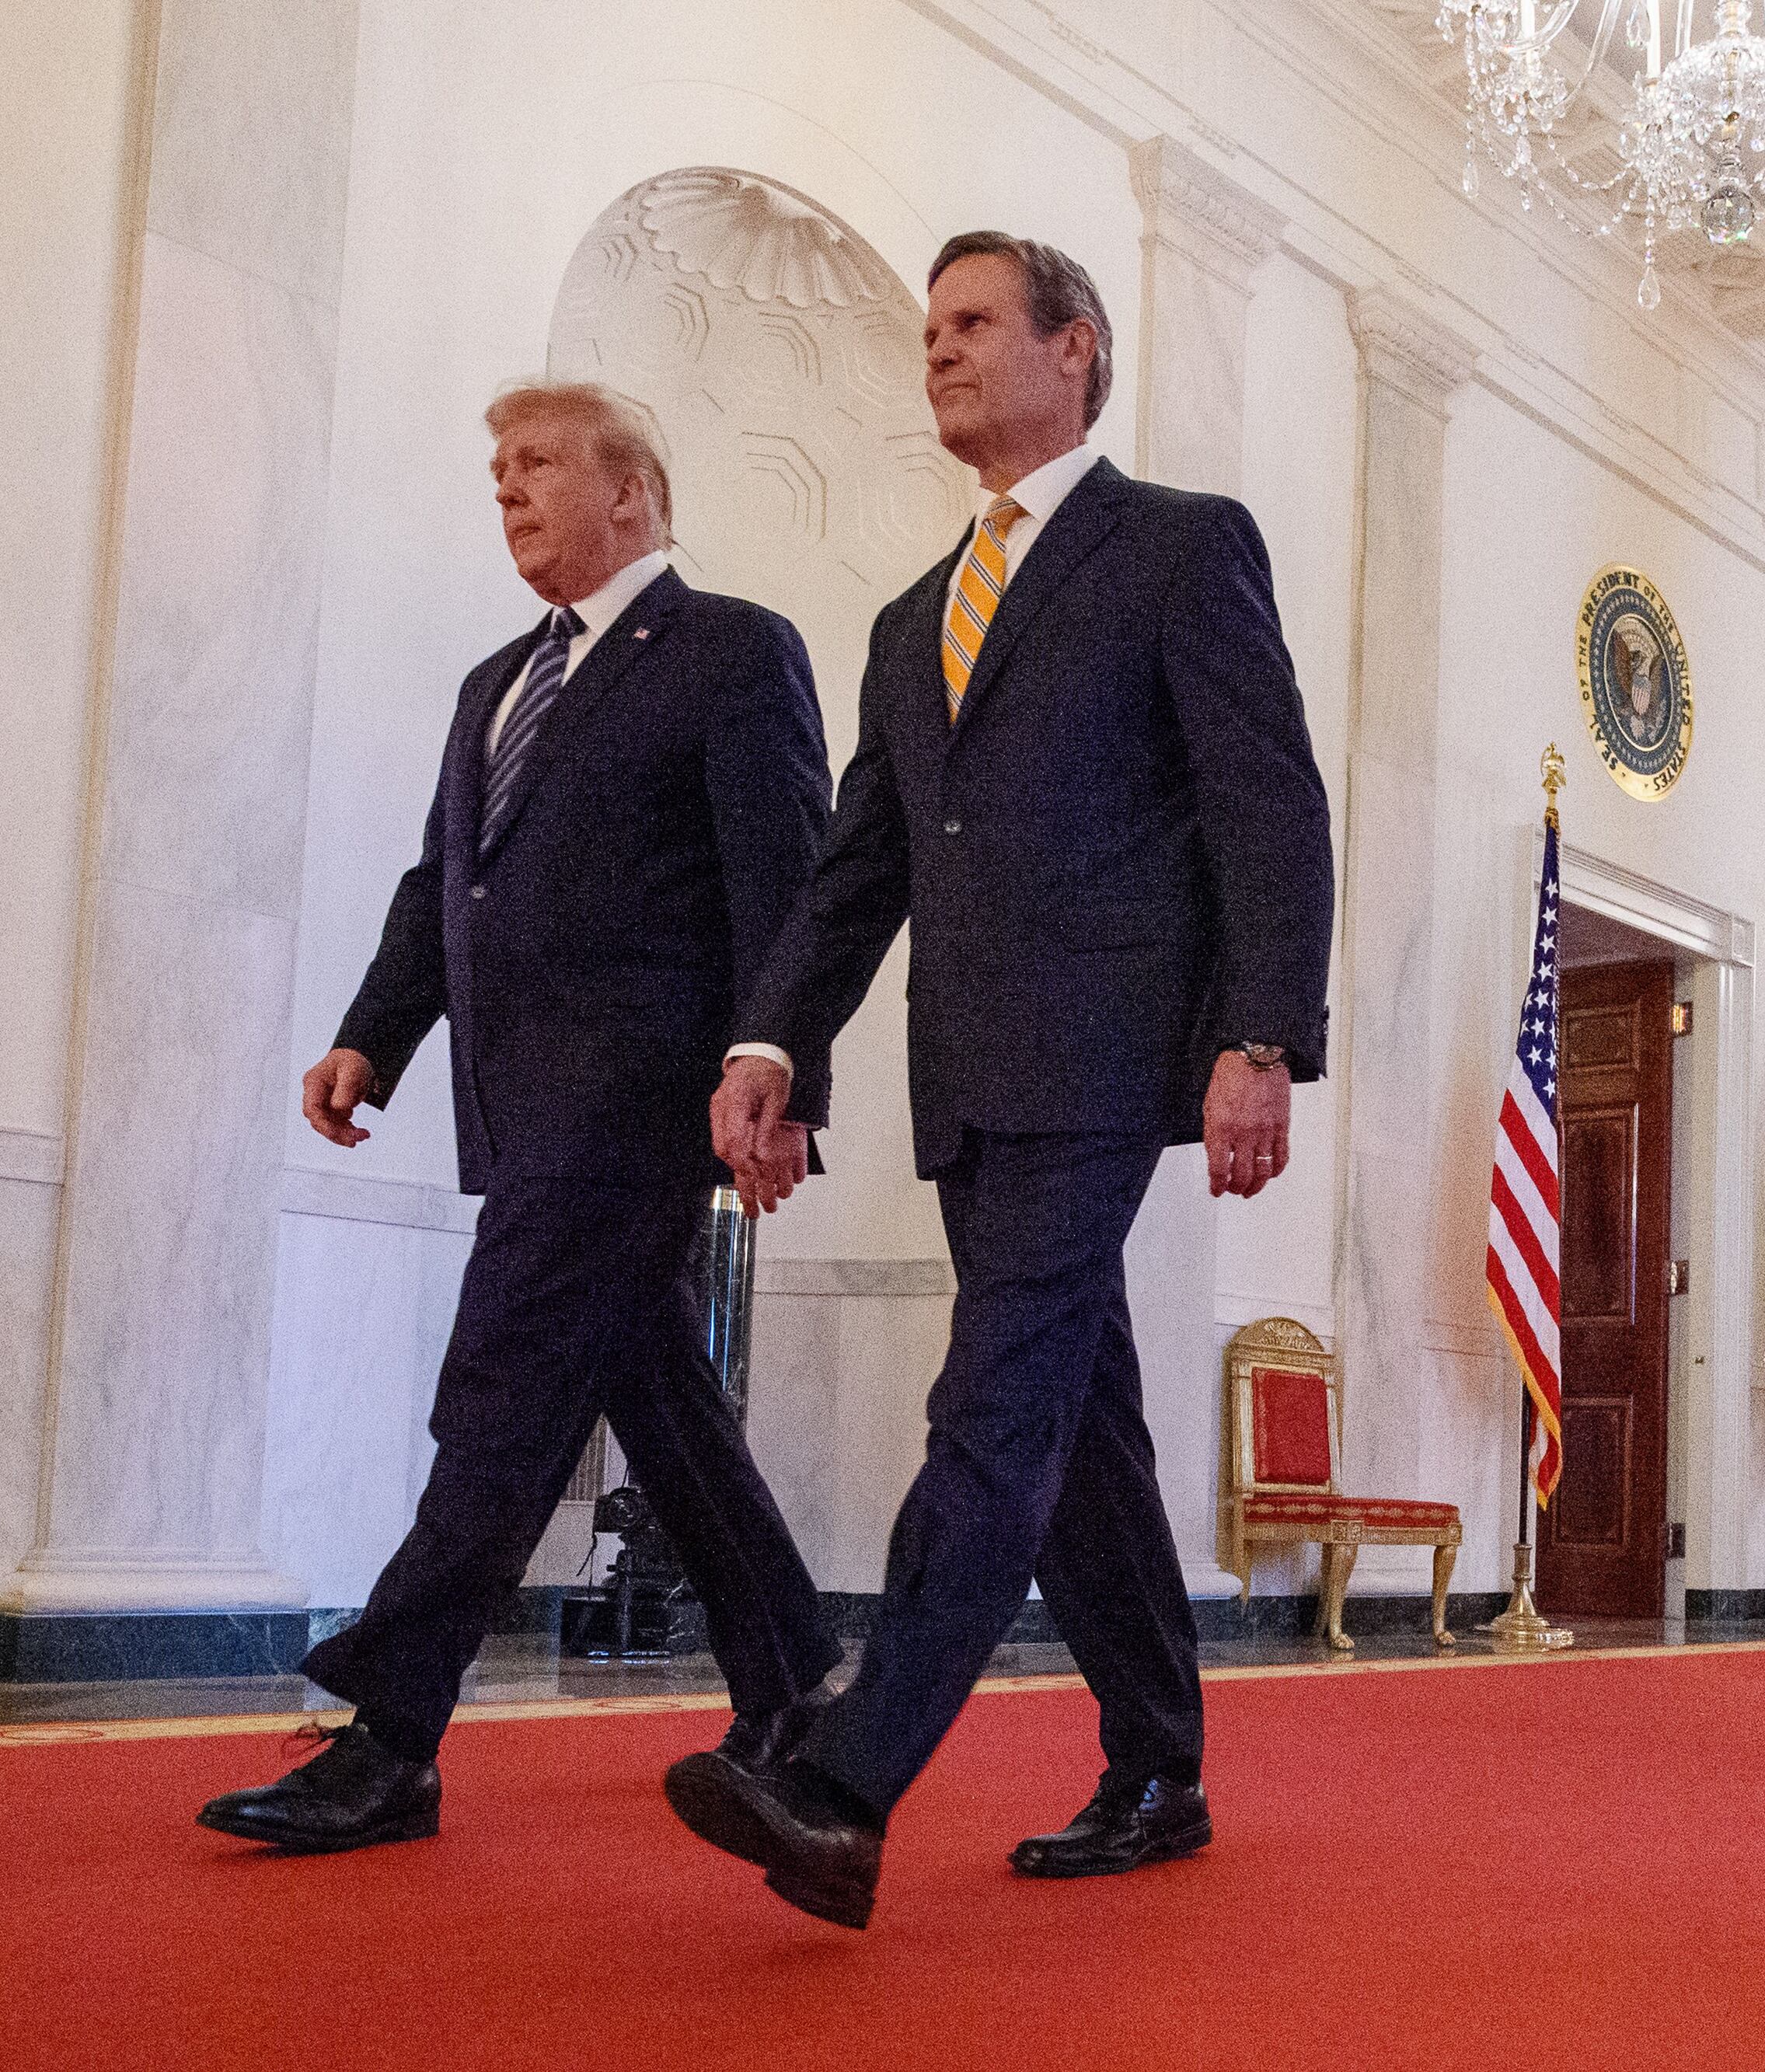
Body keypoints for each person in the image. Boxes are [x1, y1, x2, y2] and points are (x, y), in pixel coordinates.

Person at [664, 232, 1334, 1930]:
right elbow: (853, 870)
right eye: (928, 331)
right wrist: (769, 1042)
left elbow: (1266, 803)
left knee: (994, 1403)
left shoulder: (1180, 549)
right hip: (969, 1071)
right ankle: (1160, 1761)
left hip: (1111, 1059)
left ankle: (841, 1778)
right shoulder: (909, 621)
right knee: (1078, 1425)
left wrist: (1258, 1037)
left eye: (972, 324)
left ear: (1074, 350)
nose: (938, 351)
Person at [197, 382, 842, 1853]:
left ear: (634, 491)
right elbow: (447, 885)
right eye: (497, 470)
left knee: (495, 1391)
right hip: (518, 1104)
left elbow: (788, 884)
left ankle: (391, 1735)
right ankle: (797, 1675)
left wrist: (786, 1079)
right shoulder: (496, 677)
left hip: (639, 1105)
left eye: (538, 463)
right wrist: (375, 1033)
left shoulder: (735, 651)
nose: (508, 489)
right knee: (656, 1401)